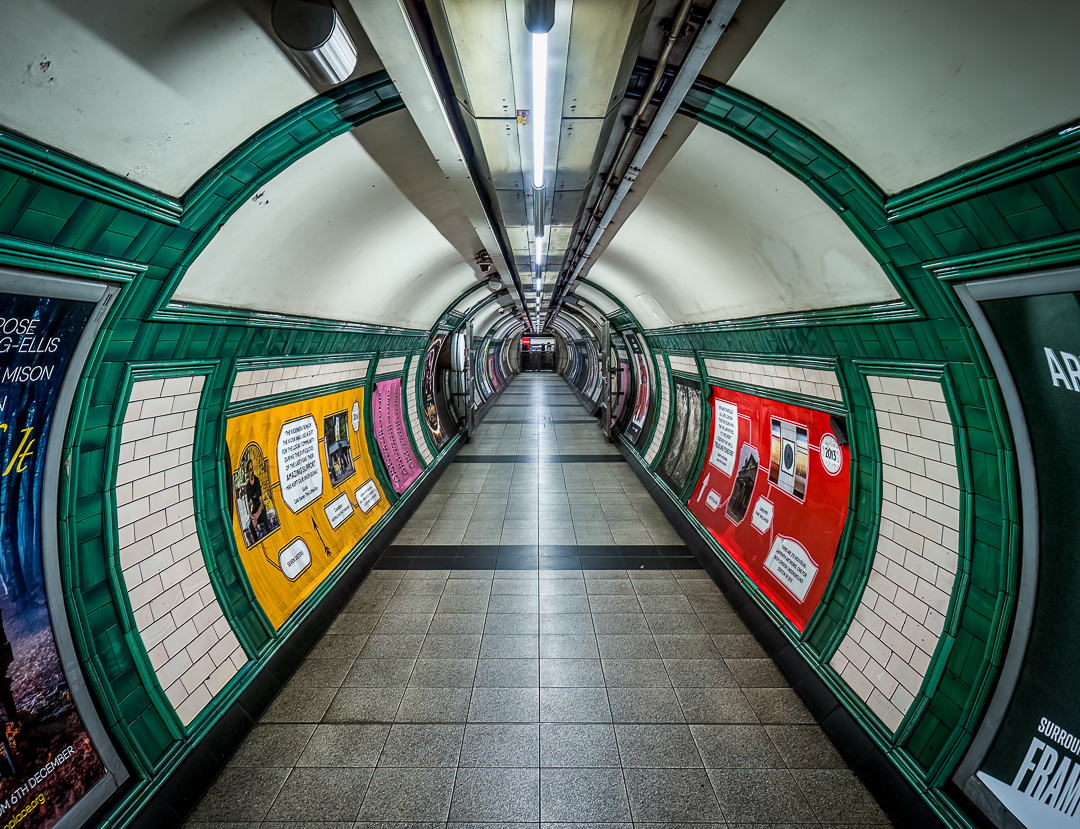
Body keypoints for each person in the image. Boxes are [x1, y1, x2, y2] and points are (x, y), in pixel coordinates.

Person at [245, 460, 271, 540]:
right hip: (255, 508)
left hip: (260, 508)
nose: (252, 471)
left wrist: (256, 515)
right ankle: (256, 541)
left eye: (252, 469)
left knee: (264, 519)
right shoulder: (248, 485)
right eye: (250, 470)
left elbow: (261, 503)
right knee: (250, 526)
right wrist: (251, 514)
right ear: (248, 472)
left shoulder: (257, 480)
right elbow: (249, 502)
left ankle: (270, 535)